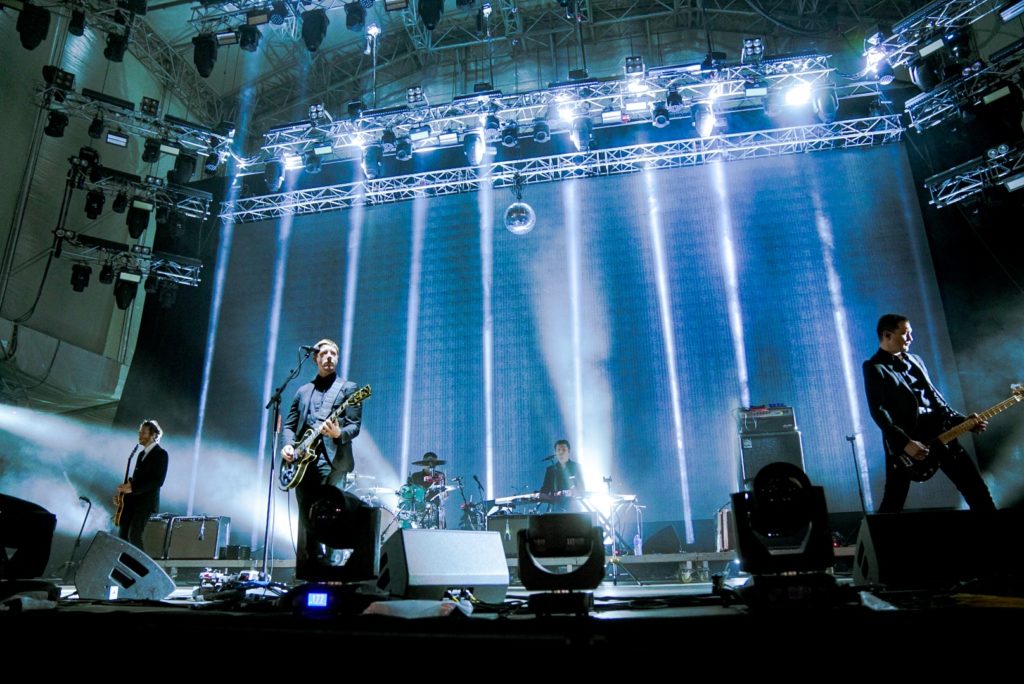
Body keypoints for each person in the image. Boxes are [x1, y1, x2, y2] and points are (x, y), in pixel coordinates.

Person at [863, 314, 995, 514]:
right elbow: (879, 412)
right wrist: (905, 443)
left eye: (911, 333)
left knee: (977, 491)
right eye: (905, 334)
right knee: (893, 502)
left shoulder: (916, 360)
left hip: (942, 436)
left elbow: (937, 401)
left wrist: (963, 421)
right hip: (908, 443)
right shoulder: (874, 367)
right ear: (887, 335)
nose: (910, 339)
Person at [281, 339, 362, 577]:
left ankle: (335, 571)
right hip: (303, 463)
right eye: (324, 353)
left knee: (336, 513)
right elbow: (289, 425)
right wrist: (287, 447)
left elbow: (354, 426)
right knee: (306, 514)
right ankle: (310, 569)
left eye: (333, 353)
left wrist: (338, 433)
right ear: (316, 358)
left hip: (334, 461)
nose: (328, 357)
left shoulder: (349, 388)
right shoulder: (302, 391)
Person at [115, 420, 168, 548]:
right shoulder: (141, 455)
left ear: (154, 435)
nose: (140, 435)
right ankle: (126, 565)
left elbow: (157, 481)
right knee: (122, 536)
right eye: (140, 432)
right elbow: (138, 480)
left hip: (146, 503)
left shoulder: (161, 454)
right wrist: (123, 495)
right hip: (133, 502)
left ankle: (139, 567)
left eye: (144, 433)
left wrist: (132, 487)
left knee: (134, 535)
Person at [539, 439, 584, 512]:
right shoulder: (551, 470)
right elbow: (545, 490)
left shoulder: (576, 467)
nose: (561, 452)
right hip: (556, 509)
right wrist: (543, 495)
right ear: (555, 452)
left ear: (569, 451)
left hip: (574, 508)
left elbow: (582, 489)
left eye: (563, 450)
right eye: (558, 450)